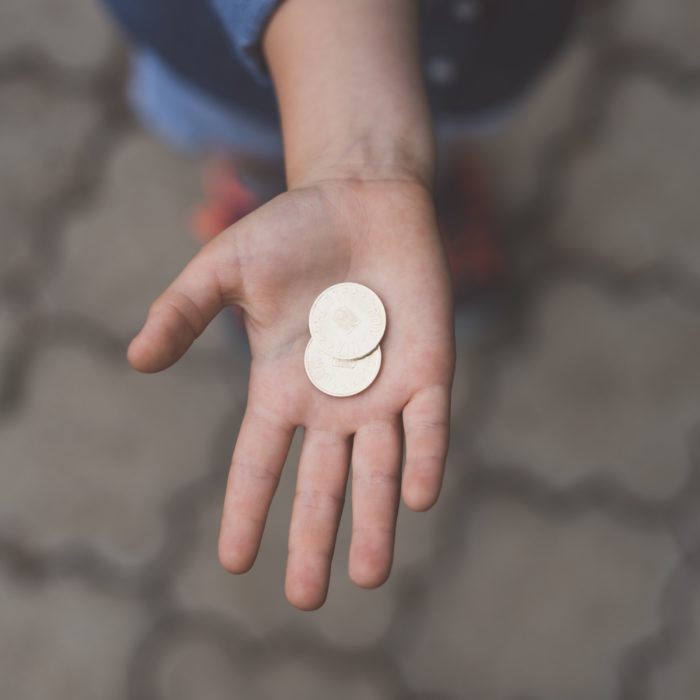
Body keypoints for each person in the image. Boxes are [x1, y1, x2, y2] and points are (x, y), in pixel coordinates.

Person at [103, 0, 577, 609]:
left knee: (450, 127)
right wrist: (355, 157)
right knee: (245, 131)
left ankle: (426, 188)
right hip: (220, 53)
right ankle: (269, 187)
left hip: (490, 40)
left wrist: (378, 164)